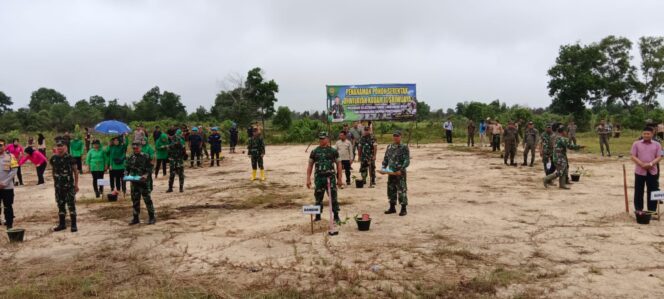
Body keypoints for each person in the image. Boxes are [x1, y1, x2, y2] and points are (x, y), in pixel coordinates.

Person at [306, 132, 343, 222]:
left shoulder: (333, 151)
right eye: (320, 138)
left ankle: (336, 216)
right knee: (318, 198)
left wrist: (339, 179)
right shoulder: (314, 151)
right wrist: (308, 179)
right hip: (319, 179)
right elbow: (310, 165)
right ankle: (318, 216)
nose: (321, 140)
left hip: (330, 179)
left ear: (328, 139)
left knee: (333, 198)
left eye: (323, 138)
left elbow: (339, 165)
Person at [50, 138, 79, 232]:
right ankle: (62, 224)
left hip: (69, 186)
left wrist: (76, 185)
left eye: (61, 146)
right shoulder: (53, 158)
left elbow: (75, 171)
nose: (59, 148)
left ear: (65, 147)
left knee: (71, 205)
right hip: (58, 187)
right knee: (60, 205)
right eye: (58, 146)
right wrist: (55, 182)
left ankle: (74, 225)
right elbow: (53, 171)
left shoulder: (70, 158)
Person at [631, 127, 662, 212]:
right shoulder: (636, 144)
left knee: (653, 191)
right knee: (638, 191)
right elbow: (633, 156)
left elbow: (660, 156)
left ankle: (652, 210)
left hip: (652, 171)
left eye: (648, 134)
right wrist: (641, 164)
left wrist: (651, 164)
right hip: (639, 171)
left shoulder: (657, 144)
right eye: (644, 133)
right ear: (642, 134)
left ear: (652, 134)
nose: (646, 135)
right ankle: (638, 209)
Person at [126, 142, 156, 225]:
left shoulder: (146, 156)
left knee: (147, 200)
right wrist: (125, 175)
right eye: (134, 148)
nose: (135, 149)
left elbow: (150, 167)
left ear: (140, 148)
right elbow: (127, 167)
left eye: (137, 148)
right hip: (134, 181)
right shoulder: (131, 157)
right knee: (135, 200)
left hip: (144, 182)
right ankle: (135, 218)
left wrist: (146, 175)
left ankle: (152, 217)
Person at [382, 130, 411, 216]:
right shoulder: (390, 146)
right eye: (394, 136)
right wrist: (383, 168)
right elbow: (386, 158)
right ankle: (392, 207)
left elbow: (407, 160)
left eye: (397, 136)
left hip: (400, 172)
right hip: (391, 172)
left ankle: (403, 208)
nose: (395, 137)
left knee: (402, 190)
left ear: (400, 137)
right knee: (391, 189)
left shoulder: (404, 147)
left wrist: (401, 170)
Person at [0, 142, 18, 229]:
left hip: (7, 187)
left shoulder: (11, 156)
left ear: (4, 146)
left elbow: (14, 170)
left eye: (0, 145)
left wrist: (5, 182)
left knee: (8, 206)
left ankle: (9, 224)